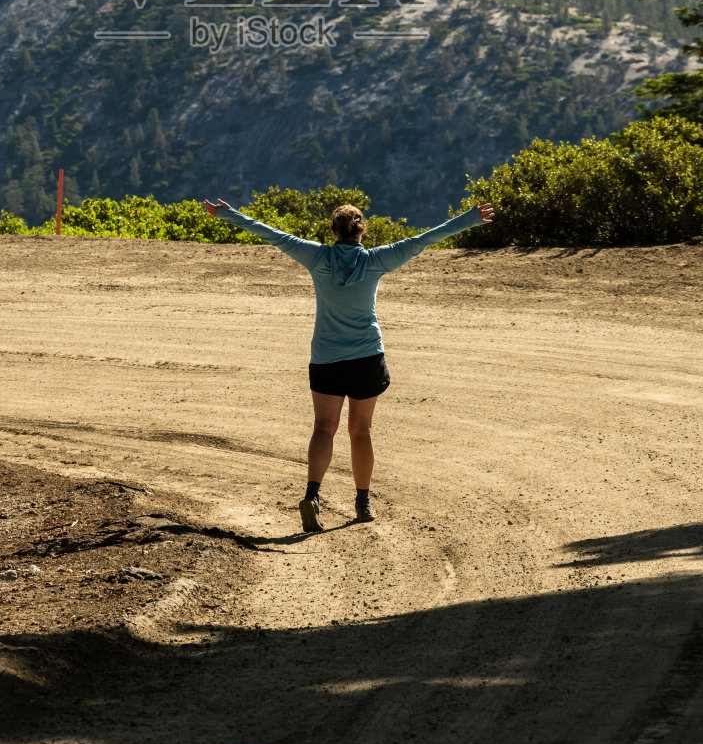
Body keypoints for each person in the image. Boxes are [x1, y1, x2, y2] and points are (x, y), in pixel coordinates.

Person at [202, 194, 494, 531]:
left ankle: (312, 495)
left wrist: (229, 215)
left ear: (334, 232)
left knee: (324, 428)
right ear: (361, 231)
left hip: (326, 358)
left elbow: (273, 234)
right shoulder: (376, 260)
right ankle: (363, 502)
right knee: (361, 431)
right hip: (367, 357)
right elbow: (422, 240)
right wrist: (469, 219)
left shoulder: (316, 256)